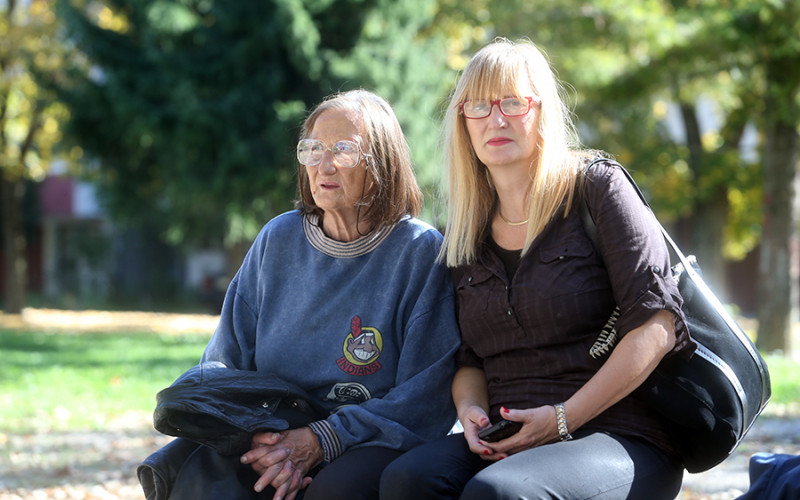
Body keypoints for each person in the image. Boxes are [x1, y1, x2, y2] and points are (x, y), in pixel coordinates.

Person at [380, 38, 696, 499]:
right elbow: (469, 360)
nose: (497, 118)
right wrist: (470, 411)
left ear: (541, 111)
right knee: (407, 480)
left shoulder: (596, 189)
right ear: (462, 122)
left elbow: (657, 328)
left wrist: (562, 417)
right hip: (510, 438)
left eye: (512, 101)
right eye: (480, 106)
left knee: (498, 494)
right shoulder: (465, 231)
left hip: (619, 433)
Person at [196, 89, 460, 500]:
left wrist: (321, 439)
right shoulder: (277, 239)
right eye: (313, 148)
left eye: (344, 150)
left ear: (382, 163)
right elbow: (223, 359)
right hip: (270, 432)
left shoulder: (419, 252)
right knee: (197, 473)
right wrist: (254, 440)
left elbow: (422, 396)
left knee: (333, 491)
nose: (324, 163)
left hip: (369, 438)